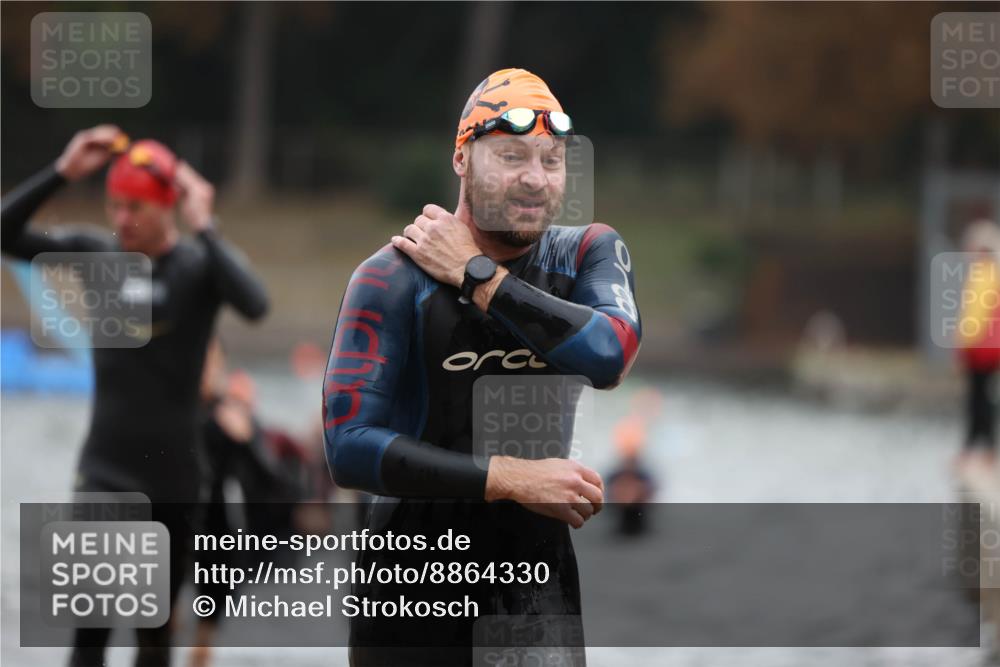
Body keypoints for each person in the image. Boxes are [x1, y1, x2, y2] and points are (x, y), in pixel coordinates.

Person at [323, 68, 641, 665]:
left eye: (551, 160)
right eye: (511, 156)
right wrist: (510, 479)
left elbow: (609, 355)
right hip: (411, 592)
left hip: (534, 593)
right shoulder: (389, 278)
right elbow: (348, 448)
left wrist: (479, 277)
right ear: (462, 159)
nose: (534, 179)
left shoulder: (586, 253)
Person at [0, 125, 269, 666]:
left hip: (174, 480)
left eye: (136, 208)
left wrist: (206, 223)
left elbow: (255, 303)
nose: (122, 219)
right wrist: (62, 171)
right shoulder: (96, 255)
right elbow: (6, 234)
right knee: (90, 638)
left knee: (153, 639)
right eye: (115, 206)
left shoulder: (196, 267)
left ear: (167, 206)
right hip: (106, 473)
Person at [956, 219, 1000, 468]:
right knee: (985, 398)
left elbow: (975, 315)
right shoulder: (993, 273)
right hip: (990, 350)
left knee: (978, 400)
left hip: (981, 350)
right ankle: (985, 449)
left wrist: (963, 342)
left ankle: (975, 449)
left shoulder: (983, 274)